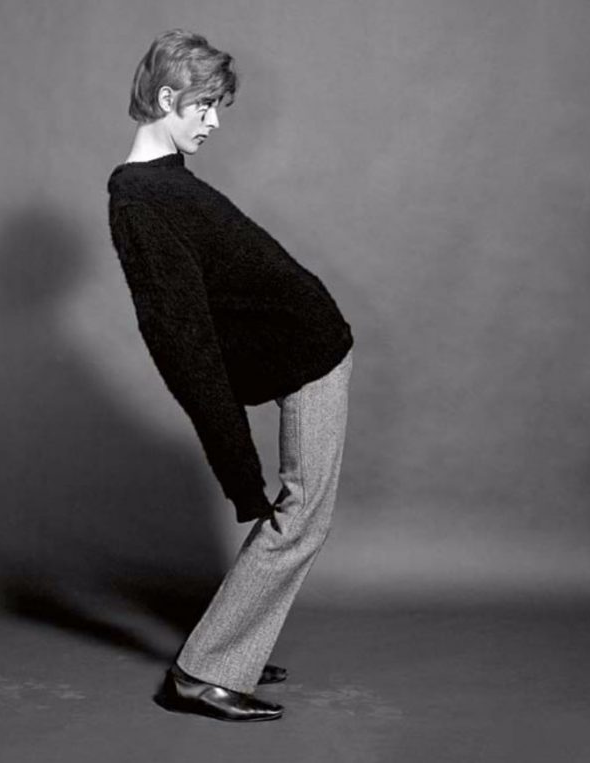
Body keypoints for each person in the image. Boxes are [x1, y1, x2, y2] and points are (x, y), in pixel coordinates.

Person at [106, 28, 354, 722]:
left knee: (300, 516)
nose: (215, 122)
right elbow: (183, 345)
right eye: (205, 106)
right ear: (166, 99)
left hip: (309, 351)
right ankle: (205, 671)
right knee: (301, 519)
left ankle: (230, 648)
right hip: (309, 358)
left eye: (219, 107)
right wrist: (238, 471)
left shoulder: (166, 182)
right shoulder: (142, 202)